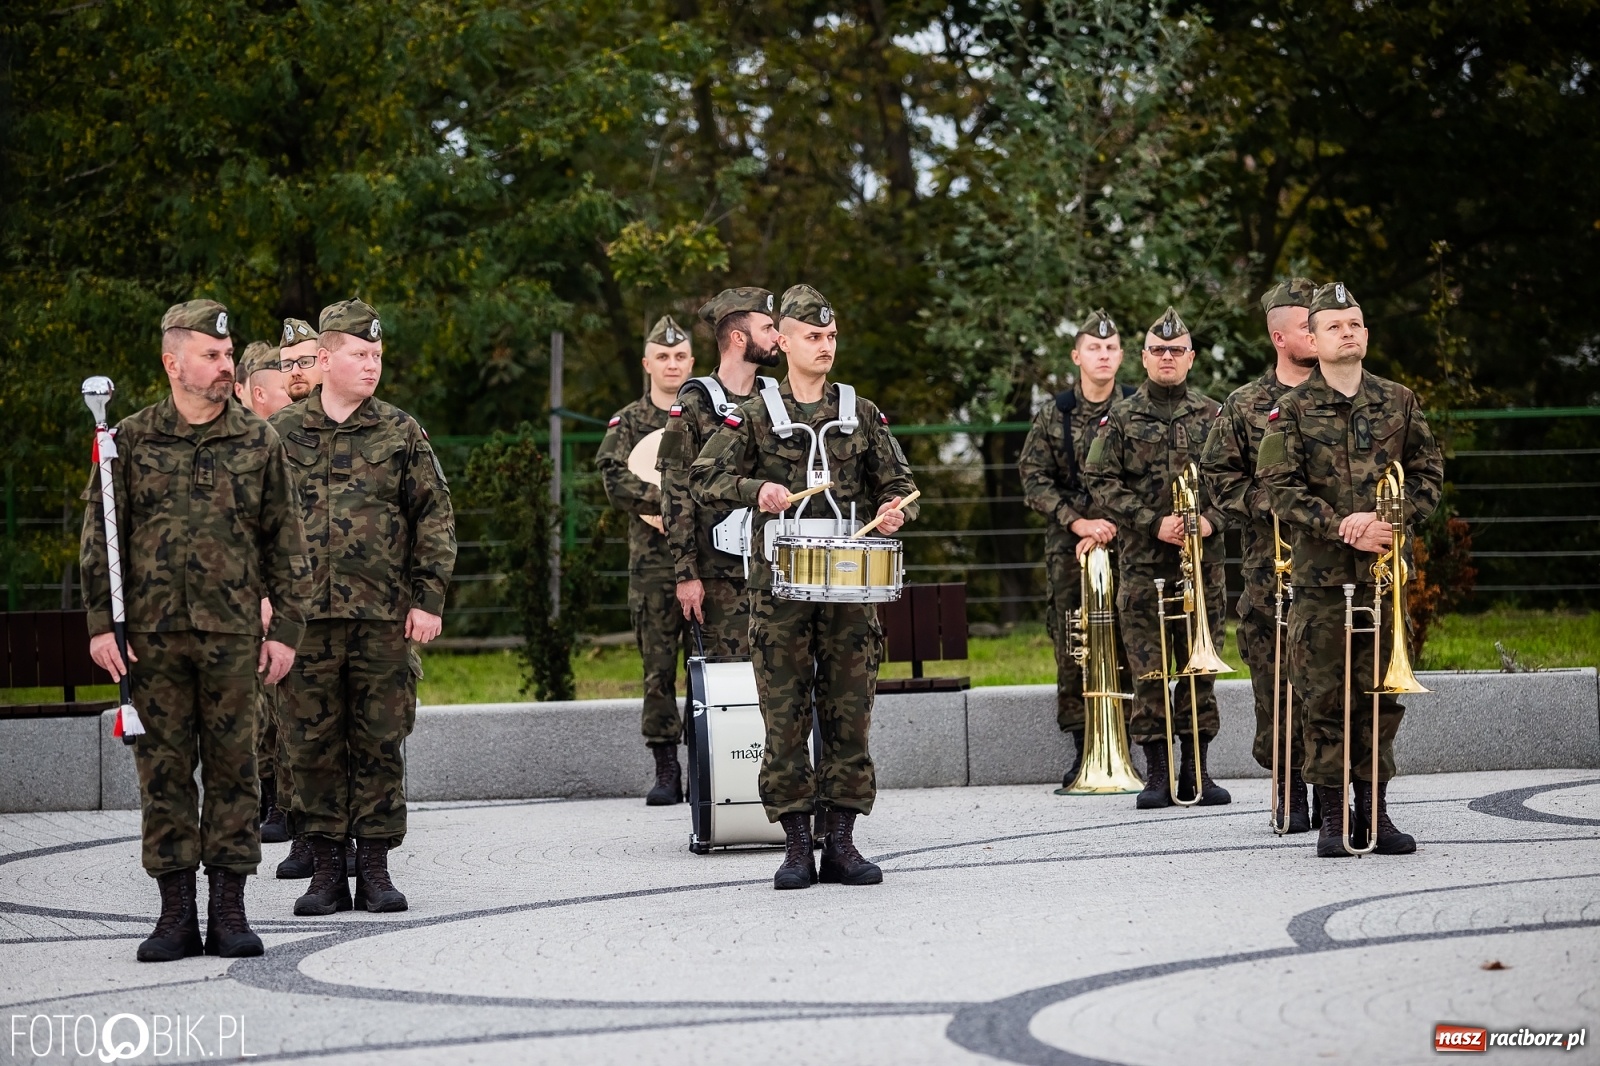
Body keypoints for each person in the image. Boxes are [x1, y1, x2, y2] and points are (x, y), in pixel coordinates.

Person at [80, 299, 308, 962]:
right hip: (151, 642)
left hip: (235, 635)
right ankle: (175, 913)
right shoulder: (128, 440)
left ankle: (229, 911)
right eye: (210, 355)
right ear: (171, 361)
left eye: (227, 355)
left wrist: (287, 629)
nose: (223, 365)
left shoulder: (257, 440)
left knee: (237, 772)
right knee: (164, 774)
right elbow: (103, 537)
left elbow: (286, 541)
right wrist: (102, 626)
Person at [690, 283, 918, 890]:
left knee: (850, 713)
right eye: (813, 337)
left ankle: (841, 843)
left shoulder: (861, 411)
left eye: (831, 337)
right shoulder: (757, 413)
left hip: (848, 589)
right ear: (783, 341)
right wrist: (754, 491)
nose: (825, 346)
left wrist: (896, 508)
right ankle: (795, 846)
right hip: (779, 591)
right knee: (784, 715)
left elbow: (898, 480)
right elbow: (705, 475)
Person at [270, 299, 456, 914]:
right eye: (359, 354)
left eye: (377, 355)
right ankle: (325, 871)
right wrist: (265, 600)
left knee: (379, 741)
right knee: (311, 744)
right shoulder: (281, 436)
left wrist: (428, 599)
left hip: (382, 618)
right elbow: (252, 523)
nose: (372, 365)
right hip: (302, 623)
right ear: (324, 360)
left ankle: (374, 868)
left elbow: (434, 516)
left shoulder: (400, 430)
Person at [1257, 282, 1444, 858]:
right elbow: (1277, 488)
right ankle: (1336, 818)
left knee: (1381, 699)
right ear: (1311, 338)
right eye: (1335, 326)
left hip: (1383, 578)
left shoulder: (1399, 401)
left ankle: (1377, 814)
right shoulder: (1287, 410)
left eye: (1356, 324)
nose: (1348, 333)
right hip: (1319, 581)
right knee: (1325, 699)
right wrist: (1342, 524)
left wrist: (1392, 518)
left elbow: (1428, 473)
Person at [1083, 307, 1232, 810]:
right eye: (1157, 350)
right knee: (1148, 669)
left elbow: (1240, 483)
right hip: (1145, 565)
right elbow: (1099, 479)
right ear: (1143, 359)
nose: (1167, 357)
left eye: (1176, 350)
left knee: (1199, 671)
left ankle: (1197, 773)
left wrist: (1210, 519)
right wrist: (1152, 521)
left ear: (1190, 358)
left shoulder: (1215, 415)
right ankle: (1156, 776)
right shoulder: (1120, 418)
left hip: (1202, 564)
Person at [1200, 278, 1319, 832]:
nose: (1318, 333)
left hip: (1337, 570)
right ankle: (1288, 790)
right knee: (1276, 685)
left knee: (1332, 684)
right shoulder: (1244, 405)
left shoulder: (1343, 394)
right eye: (1306, 325)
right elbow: (1216, 478)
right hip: (1268, 572)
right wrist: (1266, 502)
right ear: (1279, 336)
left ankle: (1337, 790)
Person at [1018, 308, 1135, 788]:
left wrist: (1112, 522)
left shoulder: (1136, 408)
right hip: (1070, 546)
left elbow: (1151, 480)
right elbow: (1033, 478)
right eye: (1093, 347)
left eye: (1110, 348)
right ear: (1077, 356)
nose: (1102, 355)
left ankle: (1128, 743)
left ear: (1122, 356)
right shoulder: (1054, 414)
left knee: (1131, 637)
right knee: (1073, 642)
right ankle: (1083, 747)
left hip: (1129, 542)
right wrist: (1079, 521)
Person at [595, 314, 696, 804]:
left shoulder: (709, 413)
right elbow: (614, 478)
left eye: (680, 356)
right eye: (663, 356)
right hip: (653, 566)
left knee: (710, 665)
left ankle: (708, 765)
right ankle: (666, 770)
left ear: (692, 362)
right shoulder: (629, 420)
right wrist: (663, 505)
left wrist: (678, 507)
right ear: (647, 363)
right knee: (658, 669)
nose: (672, 364)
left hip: (705, 562)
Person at [654, 287, 783, 660]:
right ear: (739, 338)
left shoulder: (778, 399)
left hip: (776, 567)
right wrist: (686, 574)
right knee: (723, 688)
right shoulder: (693, 403)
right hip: (718, 576)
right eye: (768, 328)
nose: (778, 337)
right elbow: (675, 491)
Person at [229, 340, 296, 845]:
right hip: (255, 598)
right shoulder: (249, 445)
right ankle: (270, 797)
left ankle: (286, 807)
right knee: (261, 711)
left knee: (283, 708)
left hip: (297, 598)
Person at [270, 316, 325, 879]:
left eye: (304, 362)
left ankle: (359, 840)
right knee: (294, 726)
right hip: (295, 605)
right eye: (286, 366)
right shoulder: (278, 432)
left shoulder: (380, 425)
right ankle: (305, 833)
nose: (295, 374)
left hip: (358, 605)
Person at [279, 317, 323, 402]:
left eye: (304, 362)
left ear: (324, 362)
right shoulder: (279, 416)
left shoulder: (347, 413)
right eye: (287, 365)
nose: (295, 372)